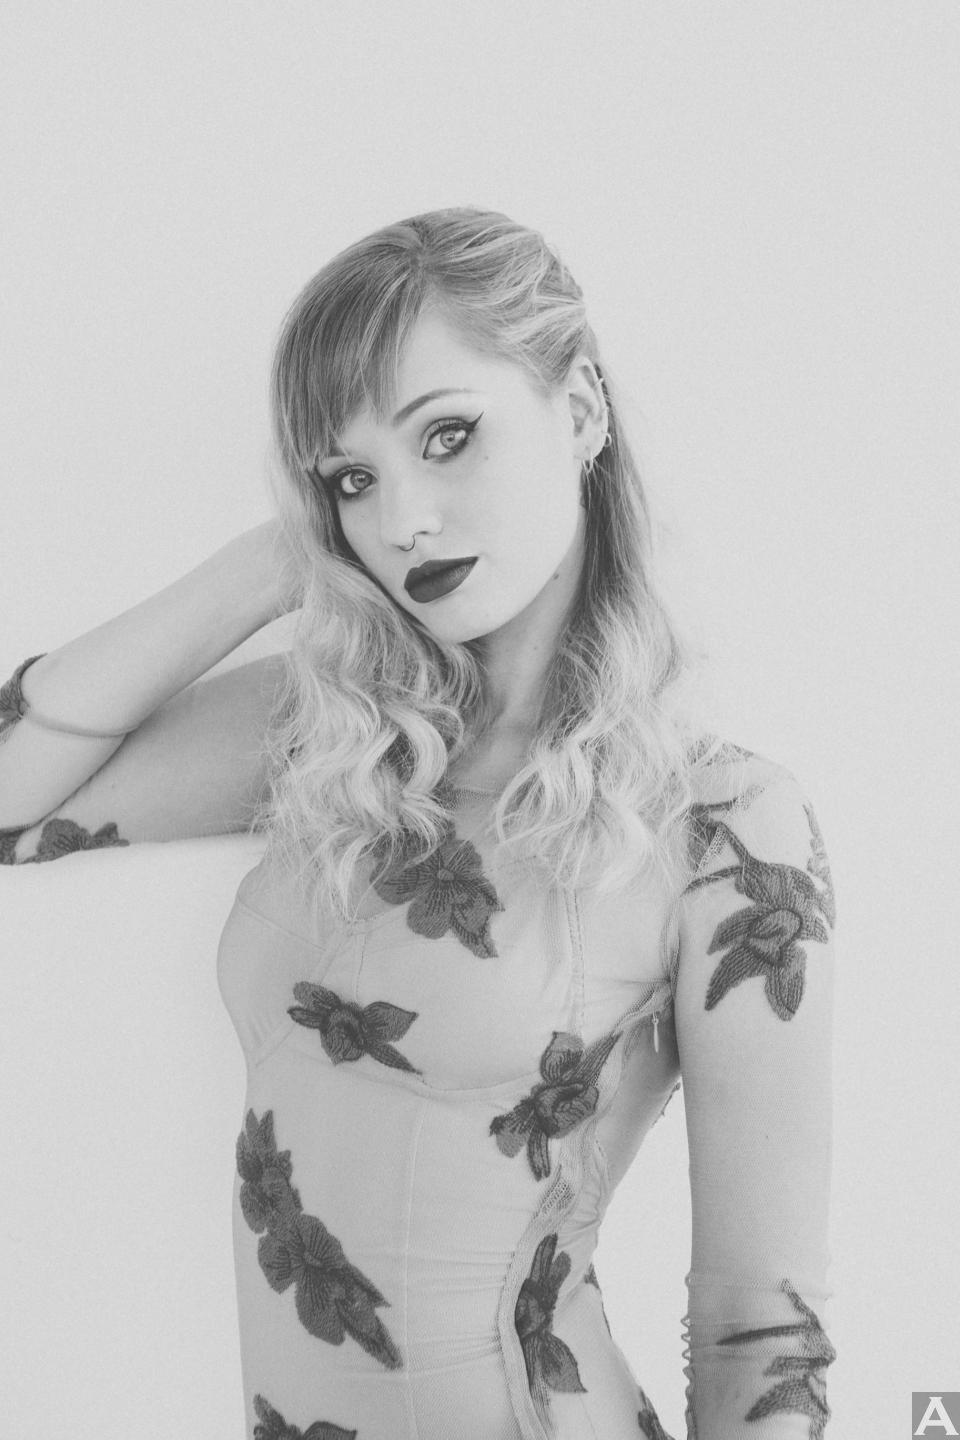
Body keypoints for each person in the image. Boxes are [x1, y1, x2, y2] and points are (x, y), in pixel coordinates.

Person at [0, 207, 837, 1440]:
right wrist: (278, 556)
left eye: (448, 436)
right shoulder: (331, 740)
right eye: (353, 478)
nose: (401, 521)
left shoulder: (724, 825)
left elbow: (758, 1324)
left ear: (581, 411)